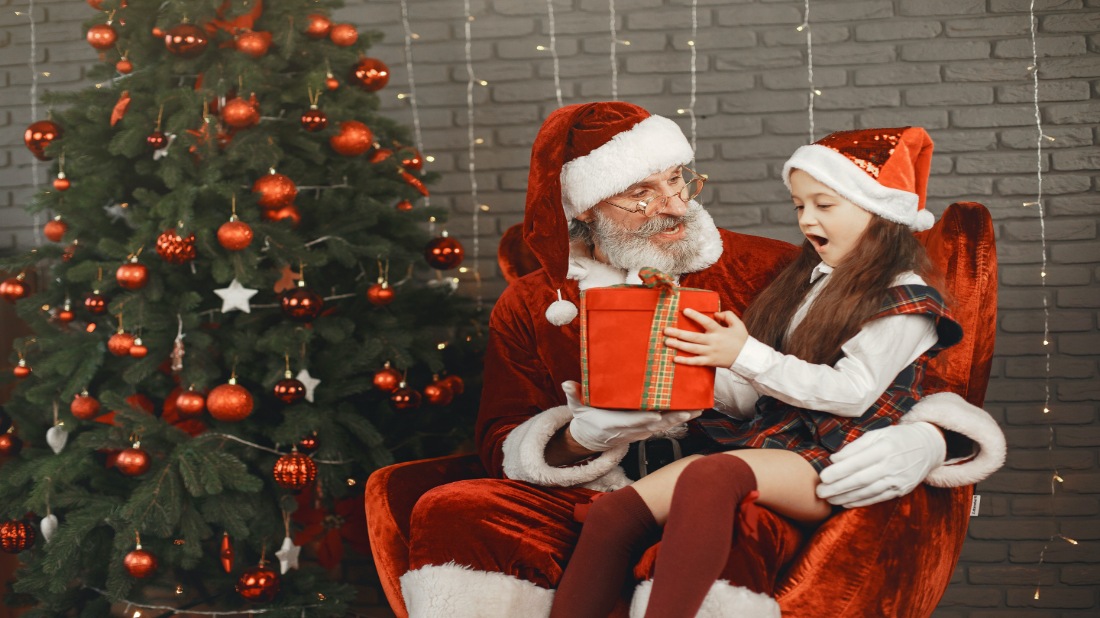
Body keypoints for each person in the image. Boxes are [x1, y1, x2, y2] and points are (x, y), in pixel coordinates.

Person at [398, 102, 1006, 617]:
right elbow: (499, 434)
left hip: (756, 463)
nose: (673, 204)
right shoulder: (536, 303)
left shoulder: (768, 267)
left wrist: (929, 439)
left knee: (728, 517)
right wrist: (579, 437)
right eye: (641, 192)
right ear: (584, 207)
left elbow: (894, 372)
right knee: (456, 508)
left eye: (679, 180)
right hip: (611, 481)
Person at [549, 127, 965, 618]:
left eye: (824, 205)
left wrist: (741, 353)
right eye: (799, 206)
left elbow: (852, 394)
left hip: (835, 452)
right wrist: (689, 367)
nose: (807, 219)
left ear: (880, 211)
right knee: (615, 514)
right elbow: (758, 390)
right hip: (778, 439)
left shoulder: (906, 296)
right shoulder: (810, 282)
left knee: (714, 475)